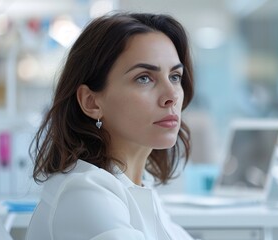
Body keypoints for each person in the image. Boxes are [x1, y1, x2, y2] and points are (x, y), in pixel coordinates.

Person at [25, 12, 195, 240]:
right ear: (91, 102)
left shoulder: (137, 186)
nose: (171, 95)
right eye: (144, 78)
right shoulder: (84, 193)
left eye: (175, 76)